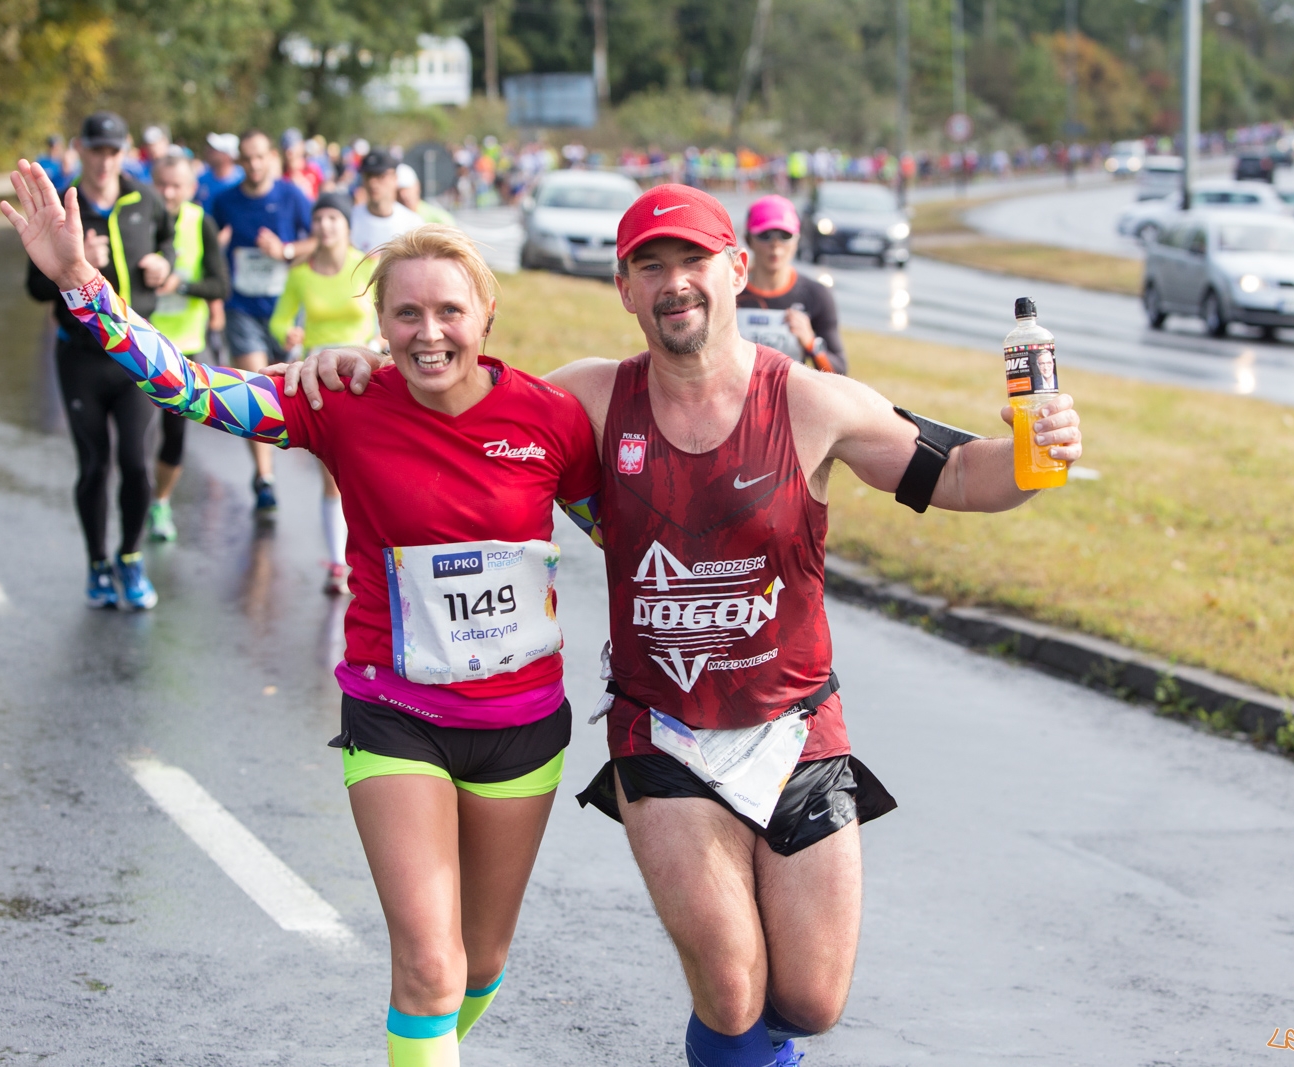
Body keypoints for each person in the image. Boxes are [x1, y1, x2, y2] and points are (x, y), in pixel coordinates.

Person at [285, 184, 1083, 1067]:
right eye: (650, 267)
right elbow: (461, 403)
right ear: (624, 289)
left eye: (693, 262)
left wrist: (1032, 452)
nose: (675, 284)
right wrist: (360, 363)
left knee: (809, 1001)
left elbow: (965, 476)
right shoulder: (586, 399)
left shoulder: (813, 402)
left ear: (736, 270)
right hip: (660, 727)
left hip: (796, 725)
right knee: (734, 985)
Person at [2, 160, 606, 1067]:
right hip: (397, 717)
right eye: (406, 313)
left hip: (522, 727)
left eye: (449, 311)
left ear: (487, 316)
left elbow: (631, 540)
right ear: (380, 323)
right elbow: (187, 387)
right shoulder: (342, 400)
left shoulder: (551, 419)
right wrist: (81, 286)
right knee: (430, 966)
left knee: (480, 963)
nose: (429, 332)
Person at [24, 111, 174, 610]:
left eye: (113, 150)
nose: (105, 161)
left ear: (125, 150)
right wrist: (69, 266)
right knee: (95, 465)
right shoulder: (62, 207)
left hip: (135, 354)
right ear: (80, 149)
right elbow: (33, 287)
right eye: (96, 150)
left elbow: (167, 238)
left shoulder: (144, 198)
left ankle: (130, 559)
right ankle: (97, 564)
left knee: (135, 462)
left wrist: (164, 264)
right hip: (82, 357)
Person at [267, 190, 375, 594]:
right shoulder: (300, 273)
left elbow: (386, 316)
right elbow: (279, 322)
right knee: (332, 476)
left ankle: (374, 560)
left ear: (348, 225)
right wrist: (288, 334)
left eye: (334, 218)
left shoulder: (368, 267)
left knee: (371, 475)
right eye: (320, 218)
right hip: (320, 377)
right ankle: (337, 562)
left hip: (365, 373)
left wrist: (379, 343)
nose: (326, 226)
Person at [208, 128, 314, 514]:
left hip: (286, 309)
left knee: (293, 389)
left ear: (271, 157)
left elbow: (317, 239)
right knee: (256, 391)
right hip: (242, 309)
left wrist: (284, 250)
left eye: (259, 157)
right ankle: (265, 477)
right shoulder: (225, 201)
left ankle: (329, 475)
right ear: (239, 161)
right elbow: (209, 241)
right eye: (246, 159)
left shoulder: (291, 195)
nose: (253, 165)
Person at [146, 154, 231, 543]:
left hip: (183, 347)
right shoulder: (139, 219)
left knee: (173, 433)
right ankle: (136, 497)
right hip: (136, 342)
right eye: (161, 184)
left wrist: (180, 285)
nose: (168, 193)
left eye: (176, 185)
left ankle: (160, 501)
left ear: (191, 188)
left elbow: (220, 286)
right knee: (132, 436)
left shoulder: (201, 223)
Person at [735, 195, 845, 374]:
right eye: (765, 235)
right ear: (748, 240)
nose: (775, 246)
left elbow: (840, 375)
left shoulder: (816, 294)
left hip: (789, 399)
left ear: (797, 240)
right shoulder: (729, 292)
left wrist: (811, 343)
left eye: (785, 236)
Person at [349, 150, 423, 254]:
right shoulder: (349, 219)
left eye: (380, 176)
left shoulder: (412, 224)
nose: (373, 183)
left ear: (395, 179)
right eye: (368, 176)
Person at [197, 133, 243, 211]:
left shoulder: (242, 180)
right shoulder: (201, 179)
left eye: (214, 150)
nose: (208, 152)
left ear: (227, 156)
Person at [281, 128, 322, 202]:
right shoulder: (280, 174)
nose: (289, 150)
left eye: (292, 145)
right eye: (286, 146)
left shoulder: (313, 169)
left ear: (302, 145)